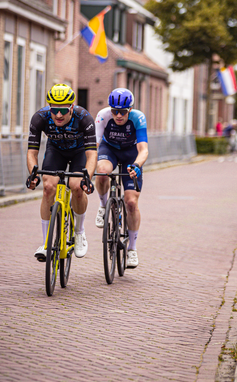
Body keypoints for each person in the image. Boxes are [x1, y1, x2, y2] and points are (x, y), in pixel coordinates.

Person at [27, 83, 97, 261]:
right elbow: (32, 152)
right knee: (48, 187)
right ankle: (46, 243)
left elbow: (91, 154)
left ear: (72, 108)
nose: (58, 115)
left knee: (77, 187)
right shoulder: (39, 118)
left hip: (79, 152)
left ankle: (80, 233)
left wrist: (86, 178)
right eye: (54, 110)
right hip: (56, 151)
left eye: (64, 111)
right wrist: (33, 174)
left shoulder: (84, 118)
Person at [94, 88, 149, 269]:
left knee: (131, 202)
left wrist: (137, 165)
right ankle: (103, 206)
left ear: (130, 110)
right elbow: (94, 146)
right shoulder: (102, 116)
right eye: (115, 111)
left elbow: (143, 150)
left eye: (122, 112)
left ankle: (132, 249)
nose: (118, 115)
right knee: (102, 172)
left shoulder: (138, 118)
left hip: (130, 154)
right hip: (109, 150)